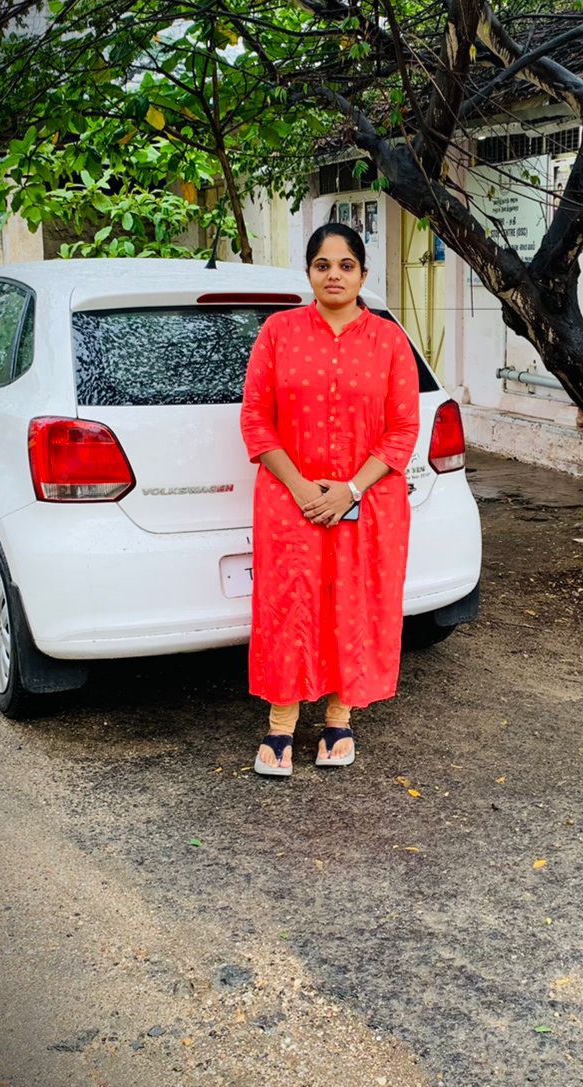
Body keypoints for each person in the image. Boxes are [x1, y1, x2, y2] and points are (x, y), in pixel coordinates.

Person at [240, 223, 421, 776]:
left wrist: (350, 489)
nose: (334, 275)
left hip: (367, 502)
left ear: (363, 275)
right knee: (288, 605)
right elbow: (256, 419)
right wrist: (300, 487)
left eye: (346, 265)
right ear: (309, 273)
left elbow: (402, 430)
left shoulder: (389, 340)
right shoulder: (279, 332)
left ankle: (340, 720)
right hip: (288, 500)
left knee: (353, 606)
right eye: (323, 265)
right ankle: (280, 725)